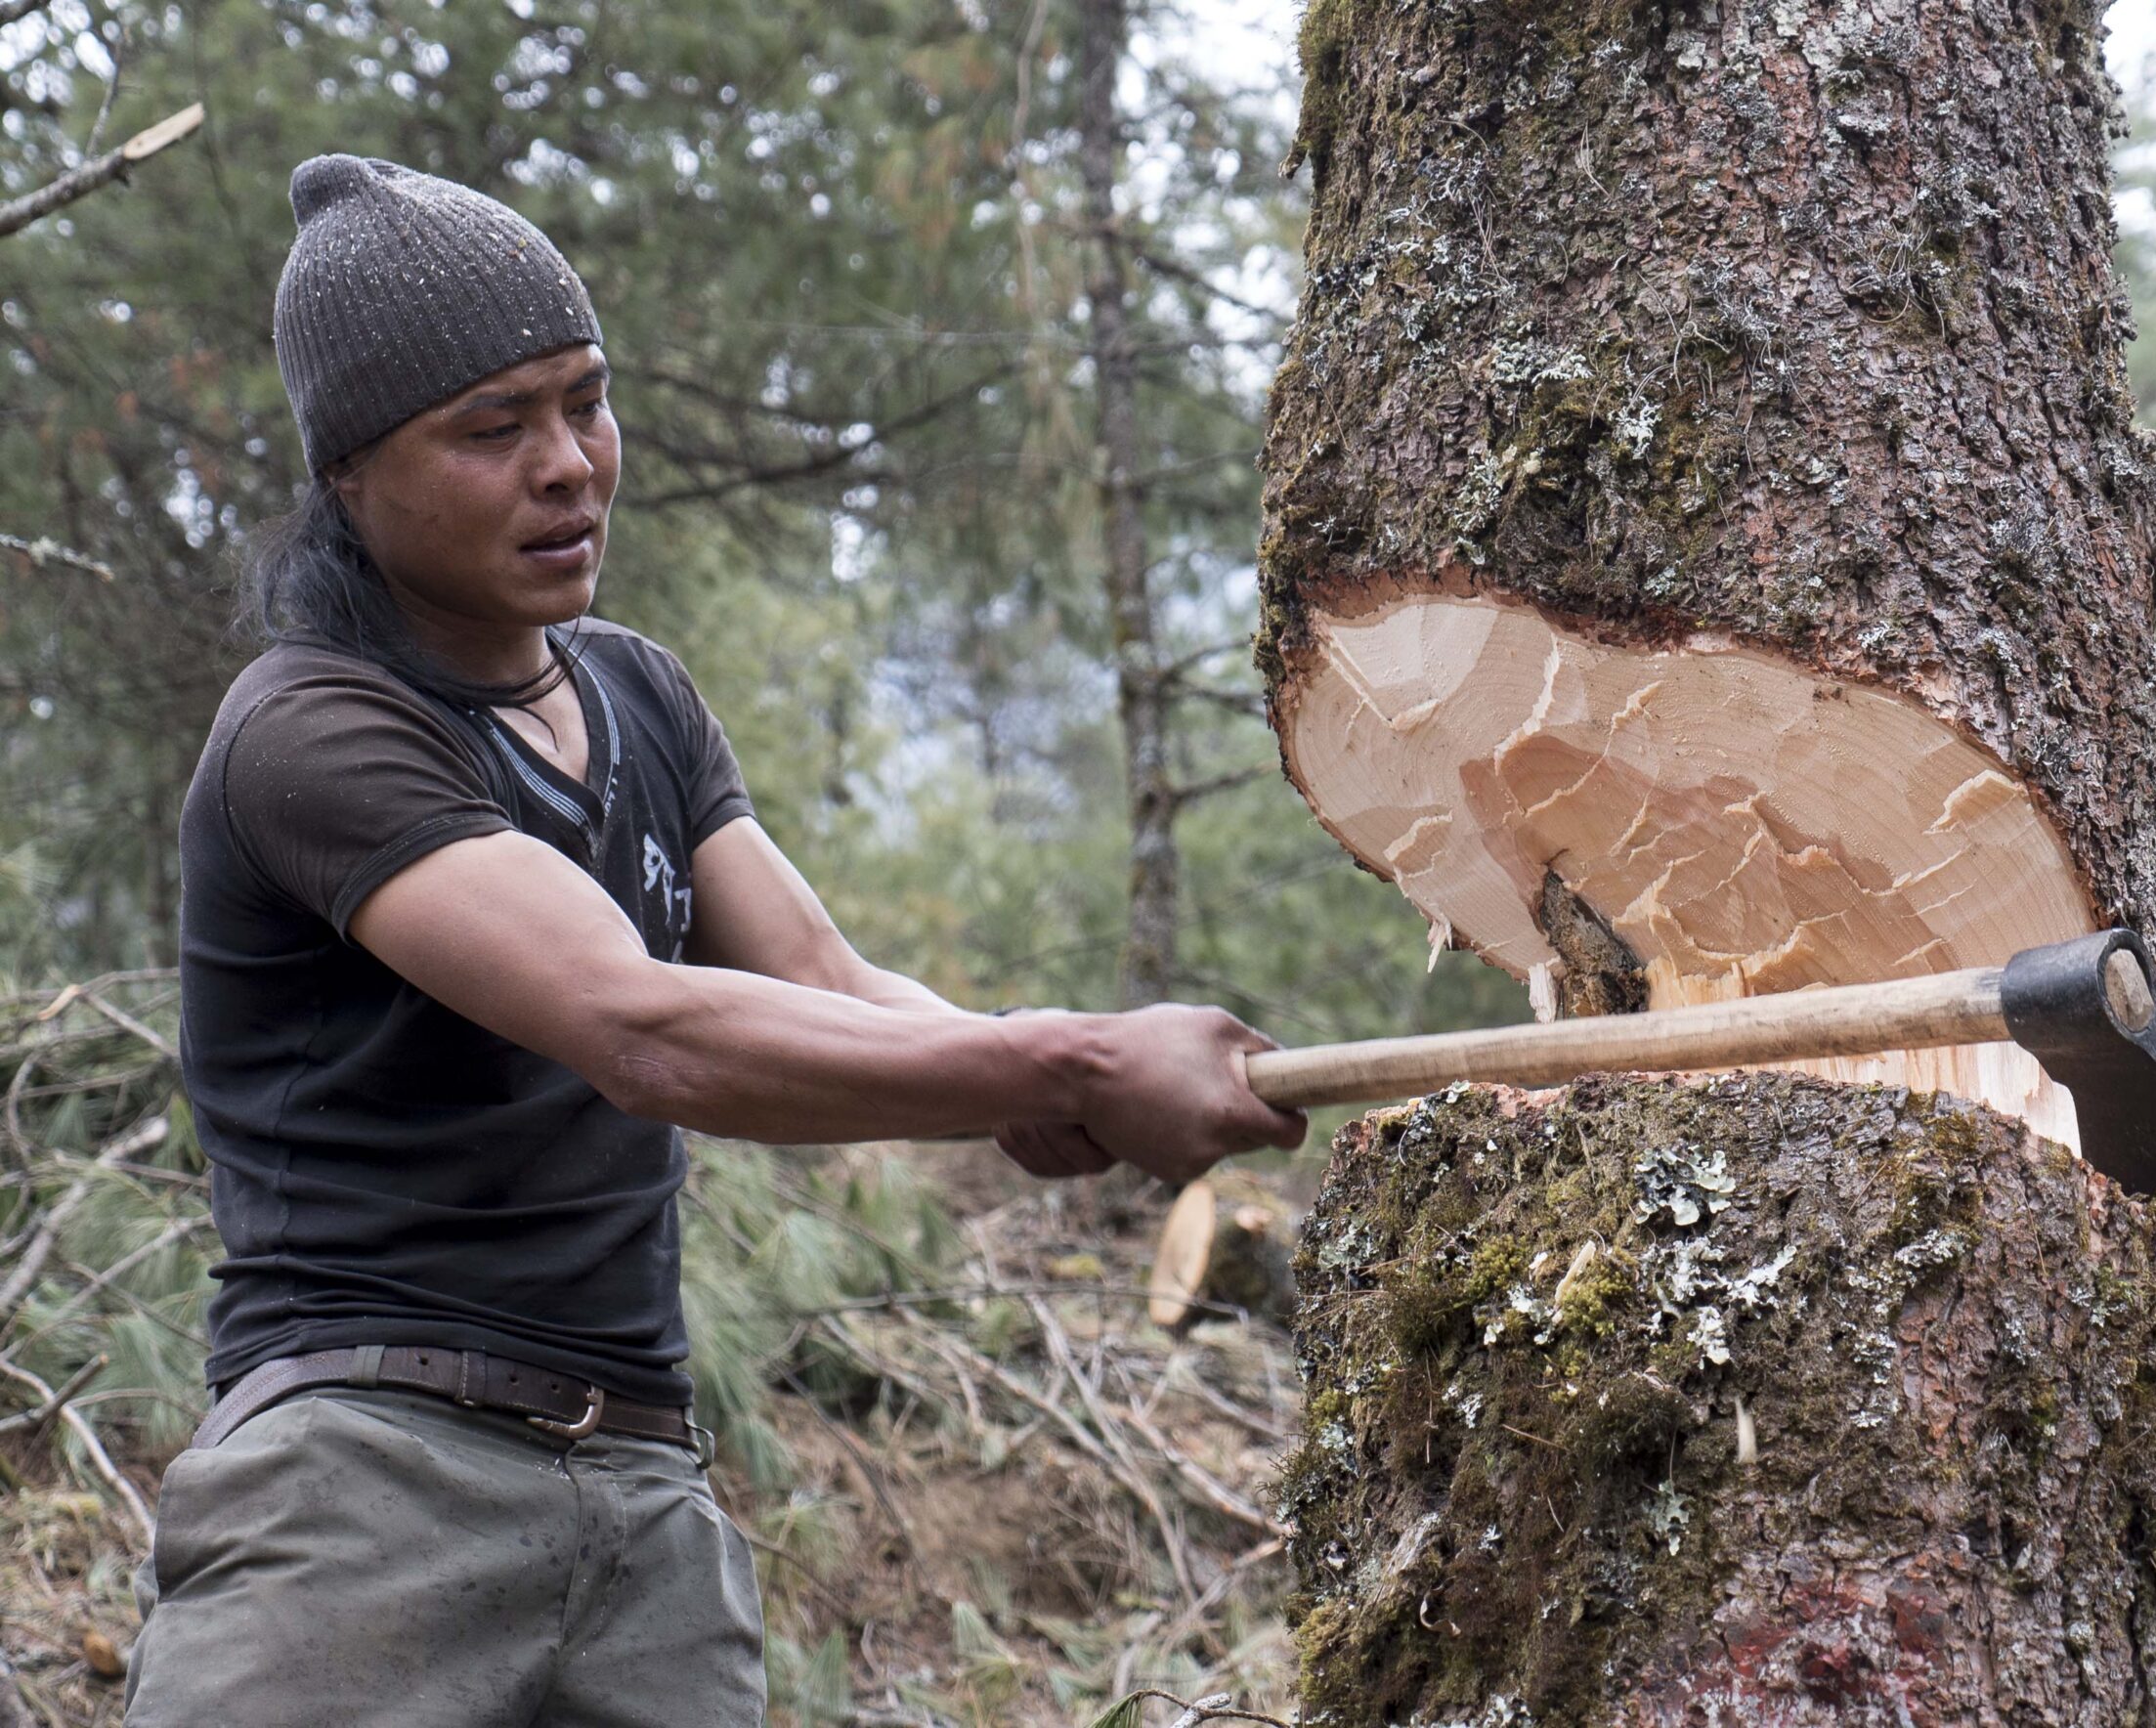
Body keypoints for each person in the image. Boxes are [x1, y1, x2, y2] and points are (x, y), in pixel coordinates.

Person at [122, 154, 1306, 1728]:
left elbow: (820, 982)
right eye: (493, 428)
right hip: (358, 1488)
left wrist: (1034, 1084)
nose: (570, 467)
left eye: (586, 402)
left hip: (645, 1501)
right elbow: (646, 1028)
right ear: (348, 471)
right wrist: (1073, 1055)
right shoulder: (316, 731)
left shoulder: (638, 693)